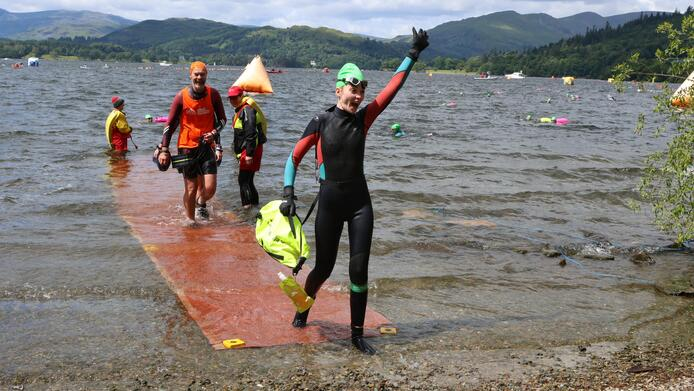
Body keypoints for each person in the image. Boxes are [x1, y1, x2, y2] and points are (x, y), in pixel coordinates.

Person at [279, 27, 429, 355]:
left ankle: (357, 335)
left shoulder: (364, 120)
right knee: (323, 268)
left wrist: (412, 55)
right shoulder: (320, 121)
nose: (358, 96)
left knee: (358, 269)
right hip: (330, 203)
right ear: (338, 90)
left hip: (360, 203)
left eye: (361, 91)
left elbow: (392, 88)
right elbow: (293, 157)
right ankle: (303, 311)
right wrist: (288, 193)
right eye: (353, 89)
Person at [156, 61, 226, 223]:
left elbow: (222, 120)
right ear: (190, 75)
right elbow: (170, 125)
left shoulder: (213, 94)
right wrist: (164, 149)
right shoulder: (181, 97)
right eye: (196, 74)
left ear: (206, 75)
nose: (199, 77)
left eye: (202, 74)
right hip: (186, 147)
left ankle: (201, 203)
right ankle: (190, 221)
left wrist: (214, 133)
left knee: (210, 187)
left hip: (207, 146)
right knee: (191, 187)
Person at [227, 86, 267, 208]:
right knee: (248, 180)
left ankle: (247, 209)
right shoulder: (242, 109)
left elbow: (251, 133)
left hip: (250, 150)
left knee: (243, 181)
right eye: (230, 98)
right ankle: (255, 207)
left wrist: (249, 154)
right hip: (251, 149)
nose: (232, 100)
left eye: (235, 97)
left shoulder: (247, 110)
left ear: (241, 96)